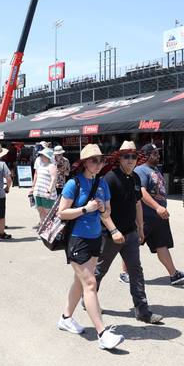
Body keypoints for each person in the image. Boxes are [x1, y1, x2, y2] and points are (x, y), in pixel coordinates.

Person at [56, 144, 125, 350]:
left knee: (80, 281)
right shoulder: (73, 183)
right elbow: (62, 213)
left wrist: (103, 210)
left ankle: (65, 318)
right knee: (90, 284)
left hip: (96, 238)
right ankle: (102, 334)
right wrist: (85, 208)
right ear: (85, 162)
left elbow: (106, 213)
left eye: (101, 160)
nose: (99, 164)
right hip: (77, 239)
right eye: (94, 160)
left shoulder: (102, 184)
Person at [96, 141, 163, 324]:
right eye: (126, 156)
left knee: (136, 271)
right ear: (119, 159)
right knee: (100, 270)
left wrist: (140, 228)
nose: (131, 160)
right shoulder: (109, 178)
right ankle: (90, 298)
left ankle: (142, 311)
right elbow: (102, 210)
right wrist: (113, 230)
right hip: (111, 234)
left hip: (131, 233)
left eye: (133, 156)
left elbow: (137, 203)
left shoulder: (135, 178)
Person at [133, 143, 184, 285]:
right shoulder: (141, 170)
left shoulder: (155, 169)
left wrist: (161, 209)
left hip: (159, 216)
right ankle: (125, 274)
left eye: (158, 153)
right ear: (146, 156)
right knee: (133, 243)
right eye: (154, 153)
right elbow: (142, 192)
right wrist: (158, 207)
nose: (158, 156)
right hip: (146, 216)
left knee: (162, 244)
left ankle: (174, 275)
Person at [31, 148, 58, 222]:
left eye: (42, 155)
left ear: (47, 157)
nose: (41, 157)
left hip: (47, 193)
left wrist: (49, 190)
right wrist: (33, 188)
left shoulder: (51, 166)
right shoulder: (41, 165)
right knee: (40, 211)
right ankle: (42, 228)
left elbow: (54, 179)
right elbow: (36, 175)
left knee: (48, 213)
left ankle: (49, 230)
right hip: (38, 192)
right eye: (41, 155)